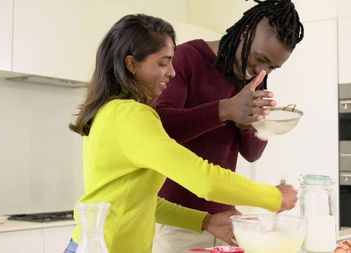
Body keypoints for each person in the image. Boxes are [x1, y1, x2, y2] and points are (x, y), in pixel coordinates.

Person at [64, 14, 297, 253]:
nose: (172, 72)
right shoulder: (130, 117)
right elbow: (204, 179)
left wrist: (205, 221)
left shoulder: (114, 113)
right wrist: (273, 197)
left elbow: (144, 202)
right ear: (132, 64)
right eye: (163, 63)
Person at [153, 0, 304, 252]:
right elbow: (162, 127)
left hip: (225, 222)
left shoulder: (256, 79)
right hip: (179, 223)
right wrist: (226, 109)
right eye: (261, 59)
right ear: (245, 34)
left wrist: (245, 124)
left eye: (272, 67)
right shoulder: (187, 58)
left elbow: (252, 153)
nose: (262, 70)